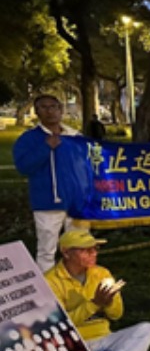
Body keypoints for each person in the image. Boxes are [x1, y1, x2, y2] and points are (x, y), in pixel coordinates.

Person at [45, 230, 150, 351]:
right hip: (76, 344)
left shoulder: (101, 273)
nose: (94, 253)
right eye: (85, 250)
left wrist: (110, 302)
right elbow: (60, 325)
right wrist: (94, 304)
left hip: (105, 338)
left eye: (95, 248)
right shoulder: (50, 281)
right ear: (66, 252)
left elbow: (116, 315)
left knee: (148, 328)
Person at [13, 94, 88, 271]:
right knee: (47, 250)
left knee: (80, 246)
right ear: (37, 112)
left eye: (53, 107)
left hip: (76, 202)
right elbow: (24, 167)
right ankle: (47, 291)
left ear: (61, 110)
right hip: (47, 202)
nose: (50, 111)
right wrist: (46, 147)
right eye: (44, 108)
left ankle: (78, 284)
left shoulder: (74, 136)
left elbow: (88, 165)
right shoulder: (29, 139)